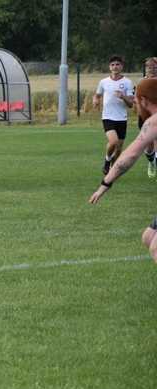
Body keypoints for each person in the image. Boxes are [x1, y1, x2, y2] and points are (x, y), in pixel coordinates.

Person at [89, 78, 157, 263]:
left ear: (144, 100)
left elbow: (130, 155)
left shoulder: (153, 123)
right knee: (149, 237)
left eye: (136, 99)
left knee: (156, 247)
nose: (134, 103)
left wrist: (105, 184)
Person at [92, 55, 135, 175]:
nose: (115, 67)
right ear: (109, 67)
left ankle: (113, 170)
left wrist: (123, 96)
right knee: (113, 142)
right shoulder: (103, 82)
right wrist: (95, 100)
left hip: (121, 118)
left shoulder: (127, 82)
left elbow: (131, 104)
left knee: (119, 148)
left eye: (117, 64)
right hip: (108, 117)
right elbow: (97, 95)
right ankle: (107, 161)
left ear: (122, 66)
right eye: (112, 65)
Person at [138, 57, 157, 178]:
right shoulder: (142, 82)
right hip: (145, 117)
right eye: (149, 67)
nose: (152, 69)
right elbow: (138, 101)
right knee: (149, 146)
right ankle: (151, 162)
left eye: (154, 66)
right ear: (146, 68)